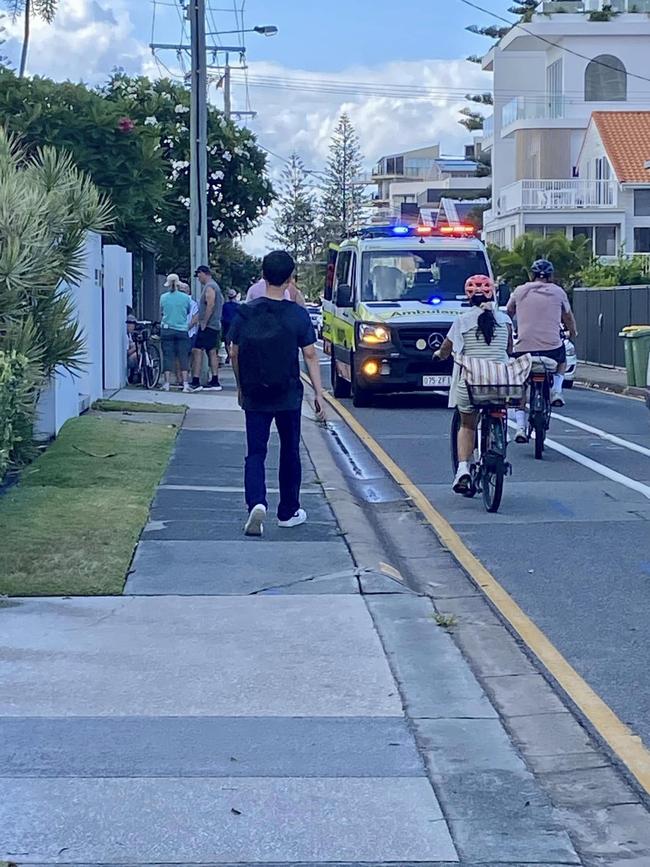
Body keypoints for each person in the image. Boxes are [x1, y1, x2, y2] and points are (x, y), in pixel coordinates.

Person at [229, 250, 326, 537]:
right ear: (289, 279)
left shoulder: (245, 312)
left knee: (255, 453)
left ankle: (256, 503)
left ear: (263, 275)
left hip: (255, 392)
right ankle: (288, 511)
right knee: (289, 450)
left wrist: (240, 385)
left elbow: (233, 351)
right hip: (288, 393)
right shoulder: (297, 314)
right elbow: (310, 355)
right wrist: (319, 394)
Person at [433, 274, 513, 494]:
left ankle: (463, 470)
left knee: (467, 425)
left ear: (468, 297)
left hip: (472, 383)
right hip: (501, 383)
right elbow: (508, 350)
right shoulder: (505, 321)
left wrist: (439, 354)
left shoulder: (462, 320)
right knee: (499, 408)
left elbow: (447, 348)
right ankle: (499, 438)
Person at [507, 258, 578, 438]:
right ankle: (557, 391)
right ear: (551, 276)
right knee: (562, 359)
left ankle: (521, 427)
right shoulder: (558, 292)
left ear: (531, 275)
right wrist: (573, 332)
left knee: (522, 382)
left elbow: (508, 312)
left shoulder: (520, 291)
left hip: (524, 347)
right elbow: (568, 317)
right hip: (551, 349)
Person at [191, 264, 224, 392]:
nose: (198, 278)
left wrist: (204, 321)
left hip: (209, 325)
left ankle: (196, 380)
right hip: (214, 325)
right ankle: (214, 379)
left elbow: (210, 304)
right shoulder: (213, 286)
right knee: (212, 351)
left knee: (197, 350)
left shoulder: (210, 287)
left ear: (204, 273)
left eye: (199, 275)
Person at [159, 273, 192, 393]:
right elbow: (187, 311)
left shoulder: (163, 297)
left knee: (168, 356)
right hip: (182, 329)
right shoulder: (185, 298)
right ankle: (185, 384)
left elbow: (162, 311)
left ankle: (167, 383)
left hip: (167, 329)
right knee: (183, 356)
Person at [221, 288, 240, 365]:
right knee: (236, 341)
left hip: (226, 324)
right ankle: (235, 355)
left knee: (227, 341)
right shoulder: (238, 306)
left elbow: (222, 316)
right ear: (235, 296)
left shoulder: (225, 306)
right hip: (236, 325)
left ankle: (229, 355)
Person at [126, 313, 138, 382]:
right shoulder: (125, 336)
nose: (133, 327)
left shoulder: (130, 335)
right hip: (126, 361)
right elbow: (126, 353)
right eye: (131, 324)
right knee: (137, 355)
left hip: (129, 358)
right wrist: (136, 347)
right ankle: (134, 374)